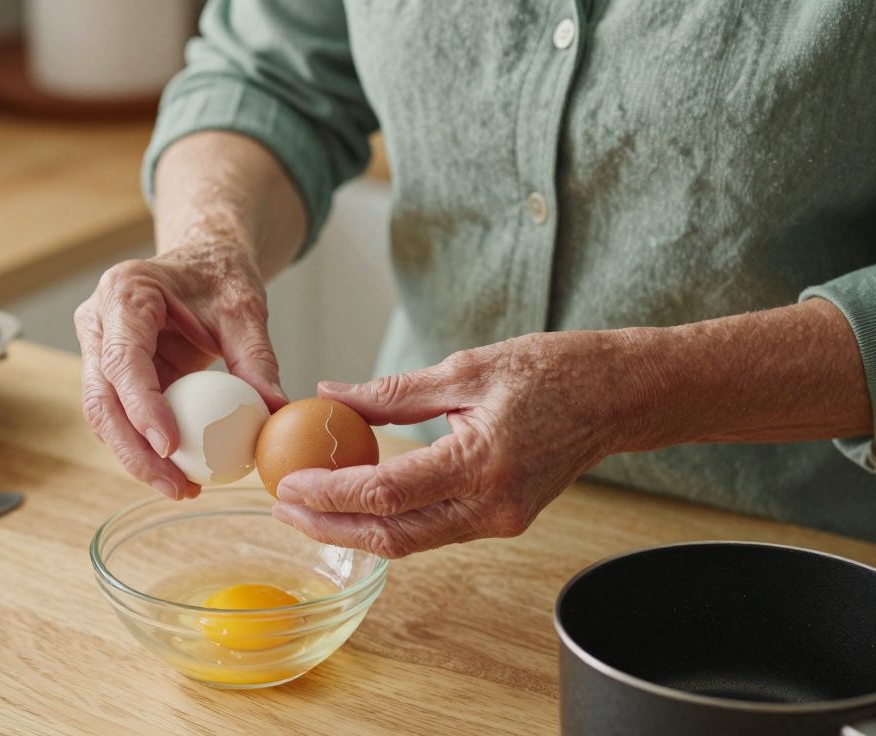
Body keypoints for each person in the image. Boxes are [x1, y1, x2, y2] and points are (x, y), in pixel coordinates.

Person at [75, 1, 876, 558]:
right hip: (433, 527)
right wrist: (209, 241)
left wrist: (625, 394)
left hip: (808, 556)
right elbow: (267, 76)